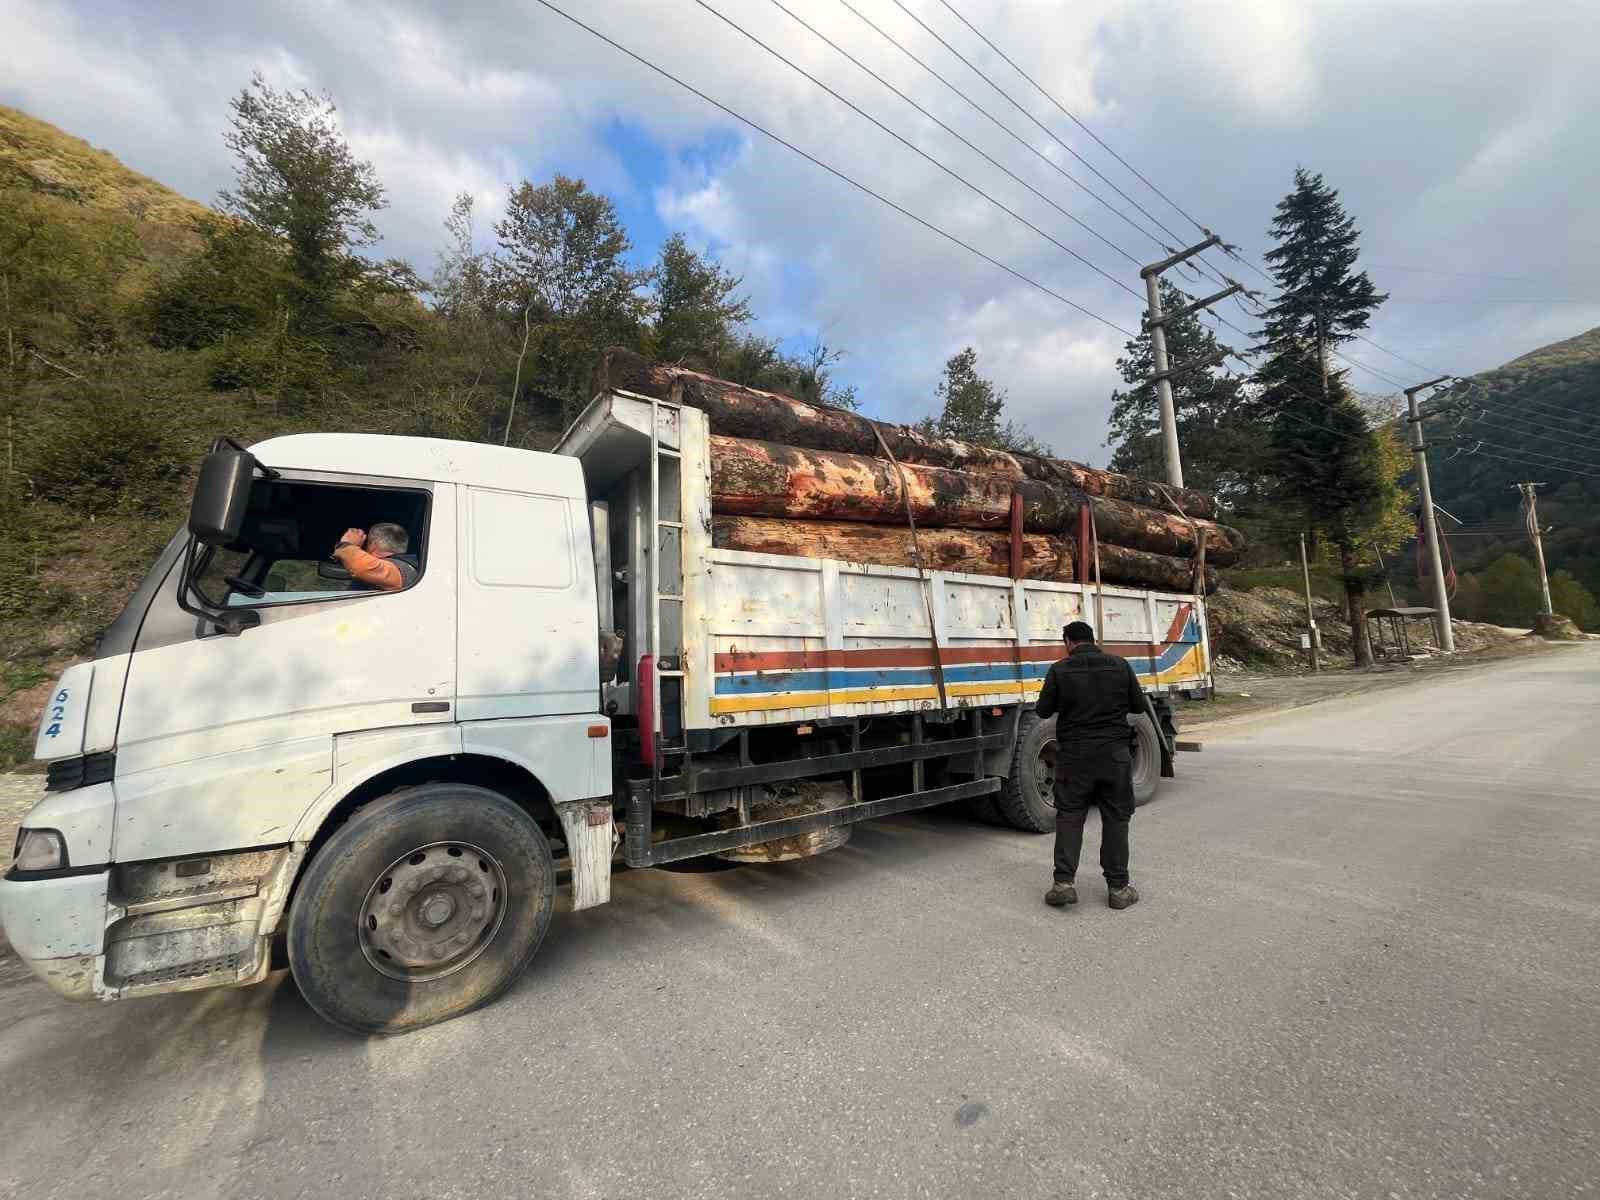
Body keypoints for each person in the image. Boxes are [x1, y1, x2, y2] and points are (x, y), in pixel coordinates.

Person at [1034, 620, 1143, 911]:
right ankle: (1119, 889)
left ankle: (1064, 884)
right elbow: (1138, 706)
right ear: (1093, 640)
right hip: (1114, 757)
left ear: (1068, 641)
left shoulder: (1059, 669)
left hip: (1076, 758)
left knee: (1070, 816)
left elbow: (1043, 710)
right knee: (1116, 819)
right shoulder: (1120, 666)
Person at [333, 523, 417, 592]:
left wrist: (346, 545)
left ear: (373, 544)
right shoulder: (406, 567)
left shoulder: (402, 569)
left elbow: (363, 568)